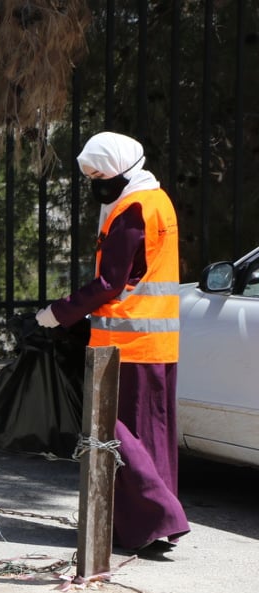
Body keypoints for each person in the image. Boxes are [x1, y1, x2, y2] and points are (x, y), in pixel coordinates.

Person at [36, 131, 190, 553]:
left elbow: (111, 281)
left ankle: (155, 521)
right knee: (151, 437)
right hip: (154, 344)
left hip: (128, 345)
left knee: (122, 435)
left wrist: (60, 312)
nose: (96, 184)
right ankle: (153, 526)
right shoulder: (156, 199)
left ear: (123, 168)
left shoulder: (131, 208)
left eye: (101, 175)